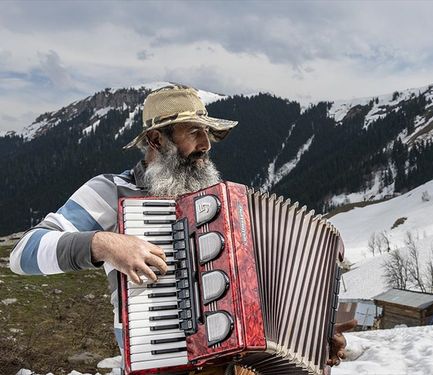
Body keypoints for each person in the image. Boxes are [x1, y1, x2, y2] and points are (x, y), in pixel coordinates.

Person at [9, 83, 354, 373]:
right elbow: (24, 254)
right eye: (194, 132)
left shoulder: (225, 206)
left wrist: (312, 335)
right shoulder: (112, 191)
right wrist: (104, 243)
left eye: (208, 133)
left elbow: (260, 299)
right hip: (157, 362)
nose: (206, 144)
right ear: (157, 140)